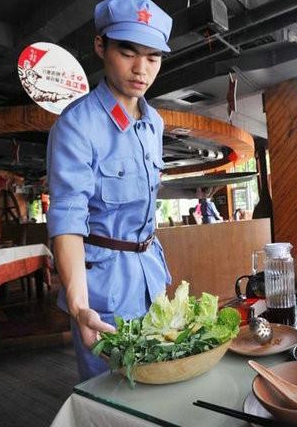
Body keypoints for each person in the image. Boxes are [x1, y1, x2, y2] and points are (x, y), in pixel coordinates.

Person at [46, 0, 173, 380]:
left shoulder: (155, 124)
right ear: (101, 46)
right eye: (128, 51)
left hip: (152, 278)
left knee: (162, 383)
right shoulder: (77, 126)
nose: (141, 69)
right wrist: (79, 305)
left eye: (153, 57)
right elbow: (67, 220)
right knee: (115, 396)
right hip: (103, 292)